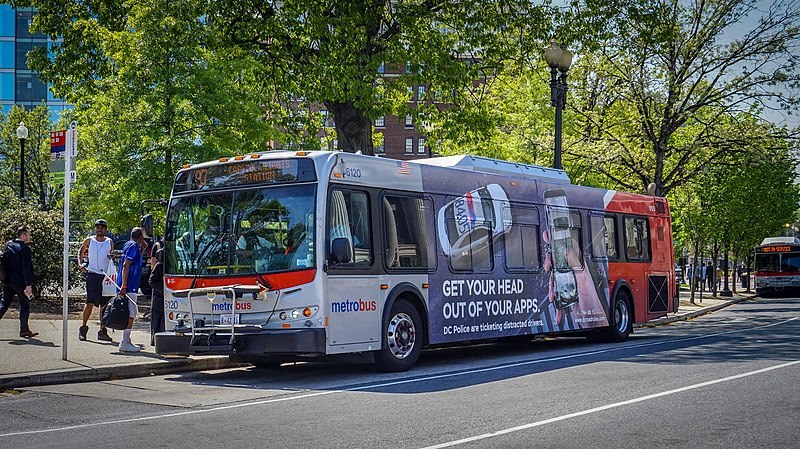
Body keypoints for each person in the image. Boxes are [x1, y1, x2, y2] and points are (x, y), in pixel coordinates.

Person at [77, 219, 115, 342]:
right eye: (98, 227)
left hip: (105, 275)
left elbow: (111, 254)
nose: (100, 229)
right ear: (95, 228)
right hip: (93, 274)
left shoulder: (109, 241)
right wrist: (80, 263)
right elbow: (81, 251)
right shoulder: (89, 240)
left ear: (105, 229)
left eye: (102, 227)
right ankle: (83, 328)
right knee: (90, 302)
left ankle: (103, 330)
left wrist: (111, 256)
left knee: (104, 304)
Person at [0, 226, 38, 338]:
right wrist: (29, 285)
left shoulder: (8, 244)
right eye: (29, 234)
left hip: (8, 280)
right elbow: (27, 268)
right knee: (24, 306)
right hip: (20, 283)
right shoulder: (24, 249)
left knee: (4, 304)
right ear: (24, 235)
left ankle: (25, 330)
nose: (30, 237)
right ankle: (24, 330)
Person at [117, 227, 146, 353]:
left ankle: (126, 340)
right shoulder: (134, 247)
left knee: (130, 311)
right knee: (131, 312)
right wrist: (124, 285)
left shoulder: (129, 245)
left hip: (129, 284)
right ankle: (125, 341)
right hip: (130, 284)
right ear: (141, 237)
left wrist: (142, 250)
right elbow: (126, 265)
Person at [148, 246, 165, 346]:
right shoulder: (159, 266)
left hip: (164, 297)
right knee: (156, 320)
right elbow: (151, 281)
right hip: (158, 297)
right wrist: (161, 289)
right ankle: (155, 340)